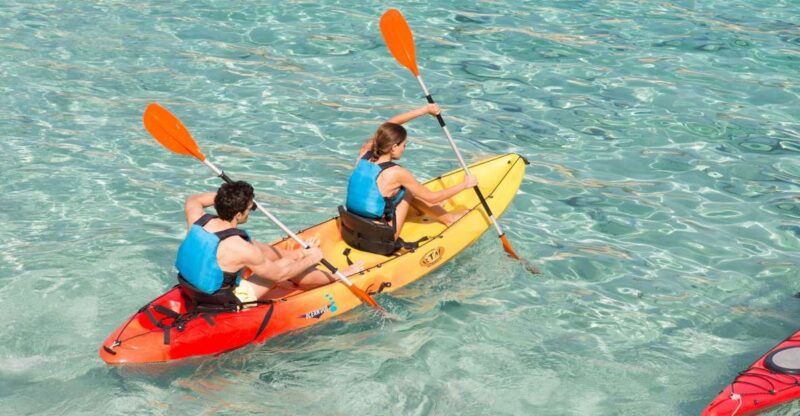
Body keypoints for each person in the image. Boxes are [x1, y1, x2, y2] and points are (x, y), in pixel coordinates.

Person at [176, 181, 359, 305]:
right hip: (220, 301)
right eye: (248, 209)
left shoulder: (196, 218)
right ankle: (337, 277)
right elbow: (279, 274)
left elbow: (194, 199)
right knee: (287, 265)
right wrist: (311, 258)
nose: (250, 212)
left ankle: (299, 255)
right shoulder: (240, 249)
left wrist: (230, 196)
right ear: (238, 215)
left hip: (189, 288)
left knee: (258, 247)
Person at [340, 104, 477, 255]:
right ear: (394, 147)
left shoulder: (364, 152)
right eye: (404, 145)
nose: (404, 148)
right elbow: (432, 197)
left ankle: (424, 209)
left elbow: (388, 126)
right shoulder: (396, 173)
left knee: (400, 190)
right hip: (379, 240)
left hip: (350, 228)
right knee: (408, 191)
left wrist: (425, 110)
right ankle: (449, 219)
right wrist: (465, 184)